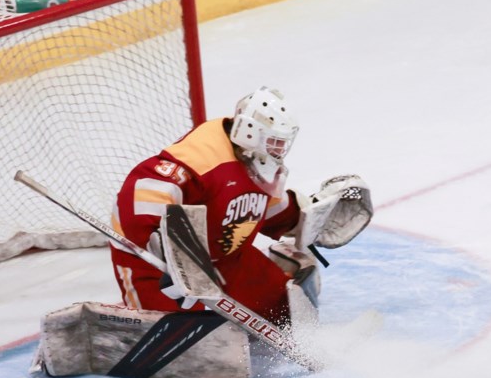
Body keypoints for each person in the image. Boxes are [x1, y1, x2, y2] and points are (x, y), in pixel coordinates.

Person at [110, 86, 371, 328]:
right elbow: (139, 197)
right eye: (274, 141)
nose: (280, 149)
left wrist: (304, 219)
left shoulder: (258, 161)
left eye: (283, 142)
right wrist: (170, 257)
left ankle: (283, 261)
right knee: (187, 331)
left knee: (284, 311)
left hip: (224, 257)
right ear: (249, 131)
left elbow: (264, 208)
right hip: (154, 265)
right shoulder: (201, 158)